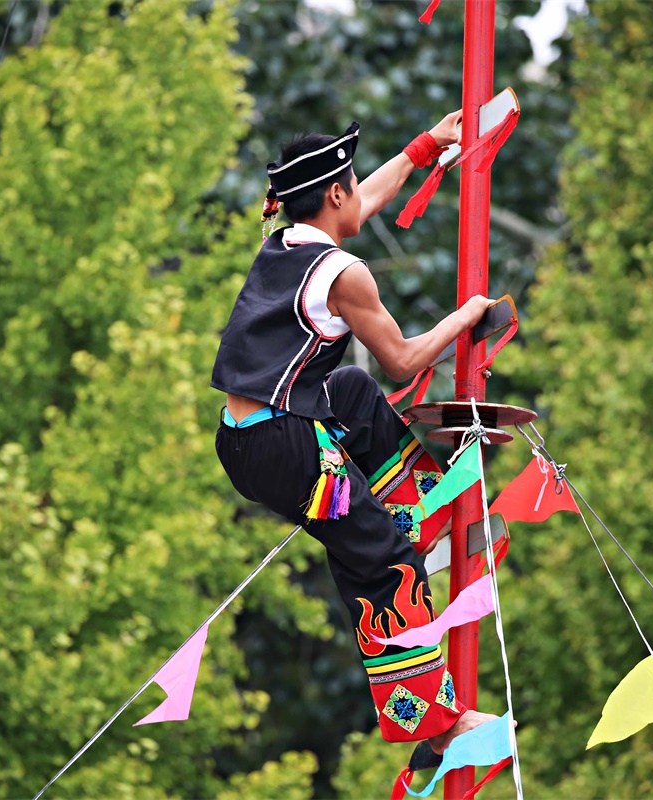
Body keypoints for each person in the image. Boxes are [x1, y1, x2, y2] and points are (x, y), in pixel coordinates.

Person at [211, 112, 497, 752]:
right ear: (334, 193)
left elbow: (368, 198)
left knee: (354, 391)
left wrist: (424, 147)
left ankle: (421, 519)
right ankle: (433, 727)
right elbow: (401, 359)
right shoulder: (345, 273)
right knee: (382, 564)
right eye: (352, 184)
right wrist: (467, 316)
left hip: (247, 438)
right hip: (288, 448)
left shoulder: (287, 244)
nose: (361, 192)